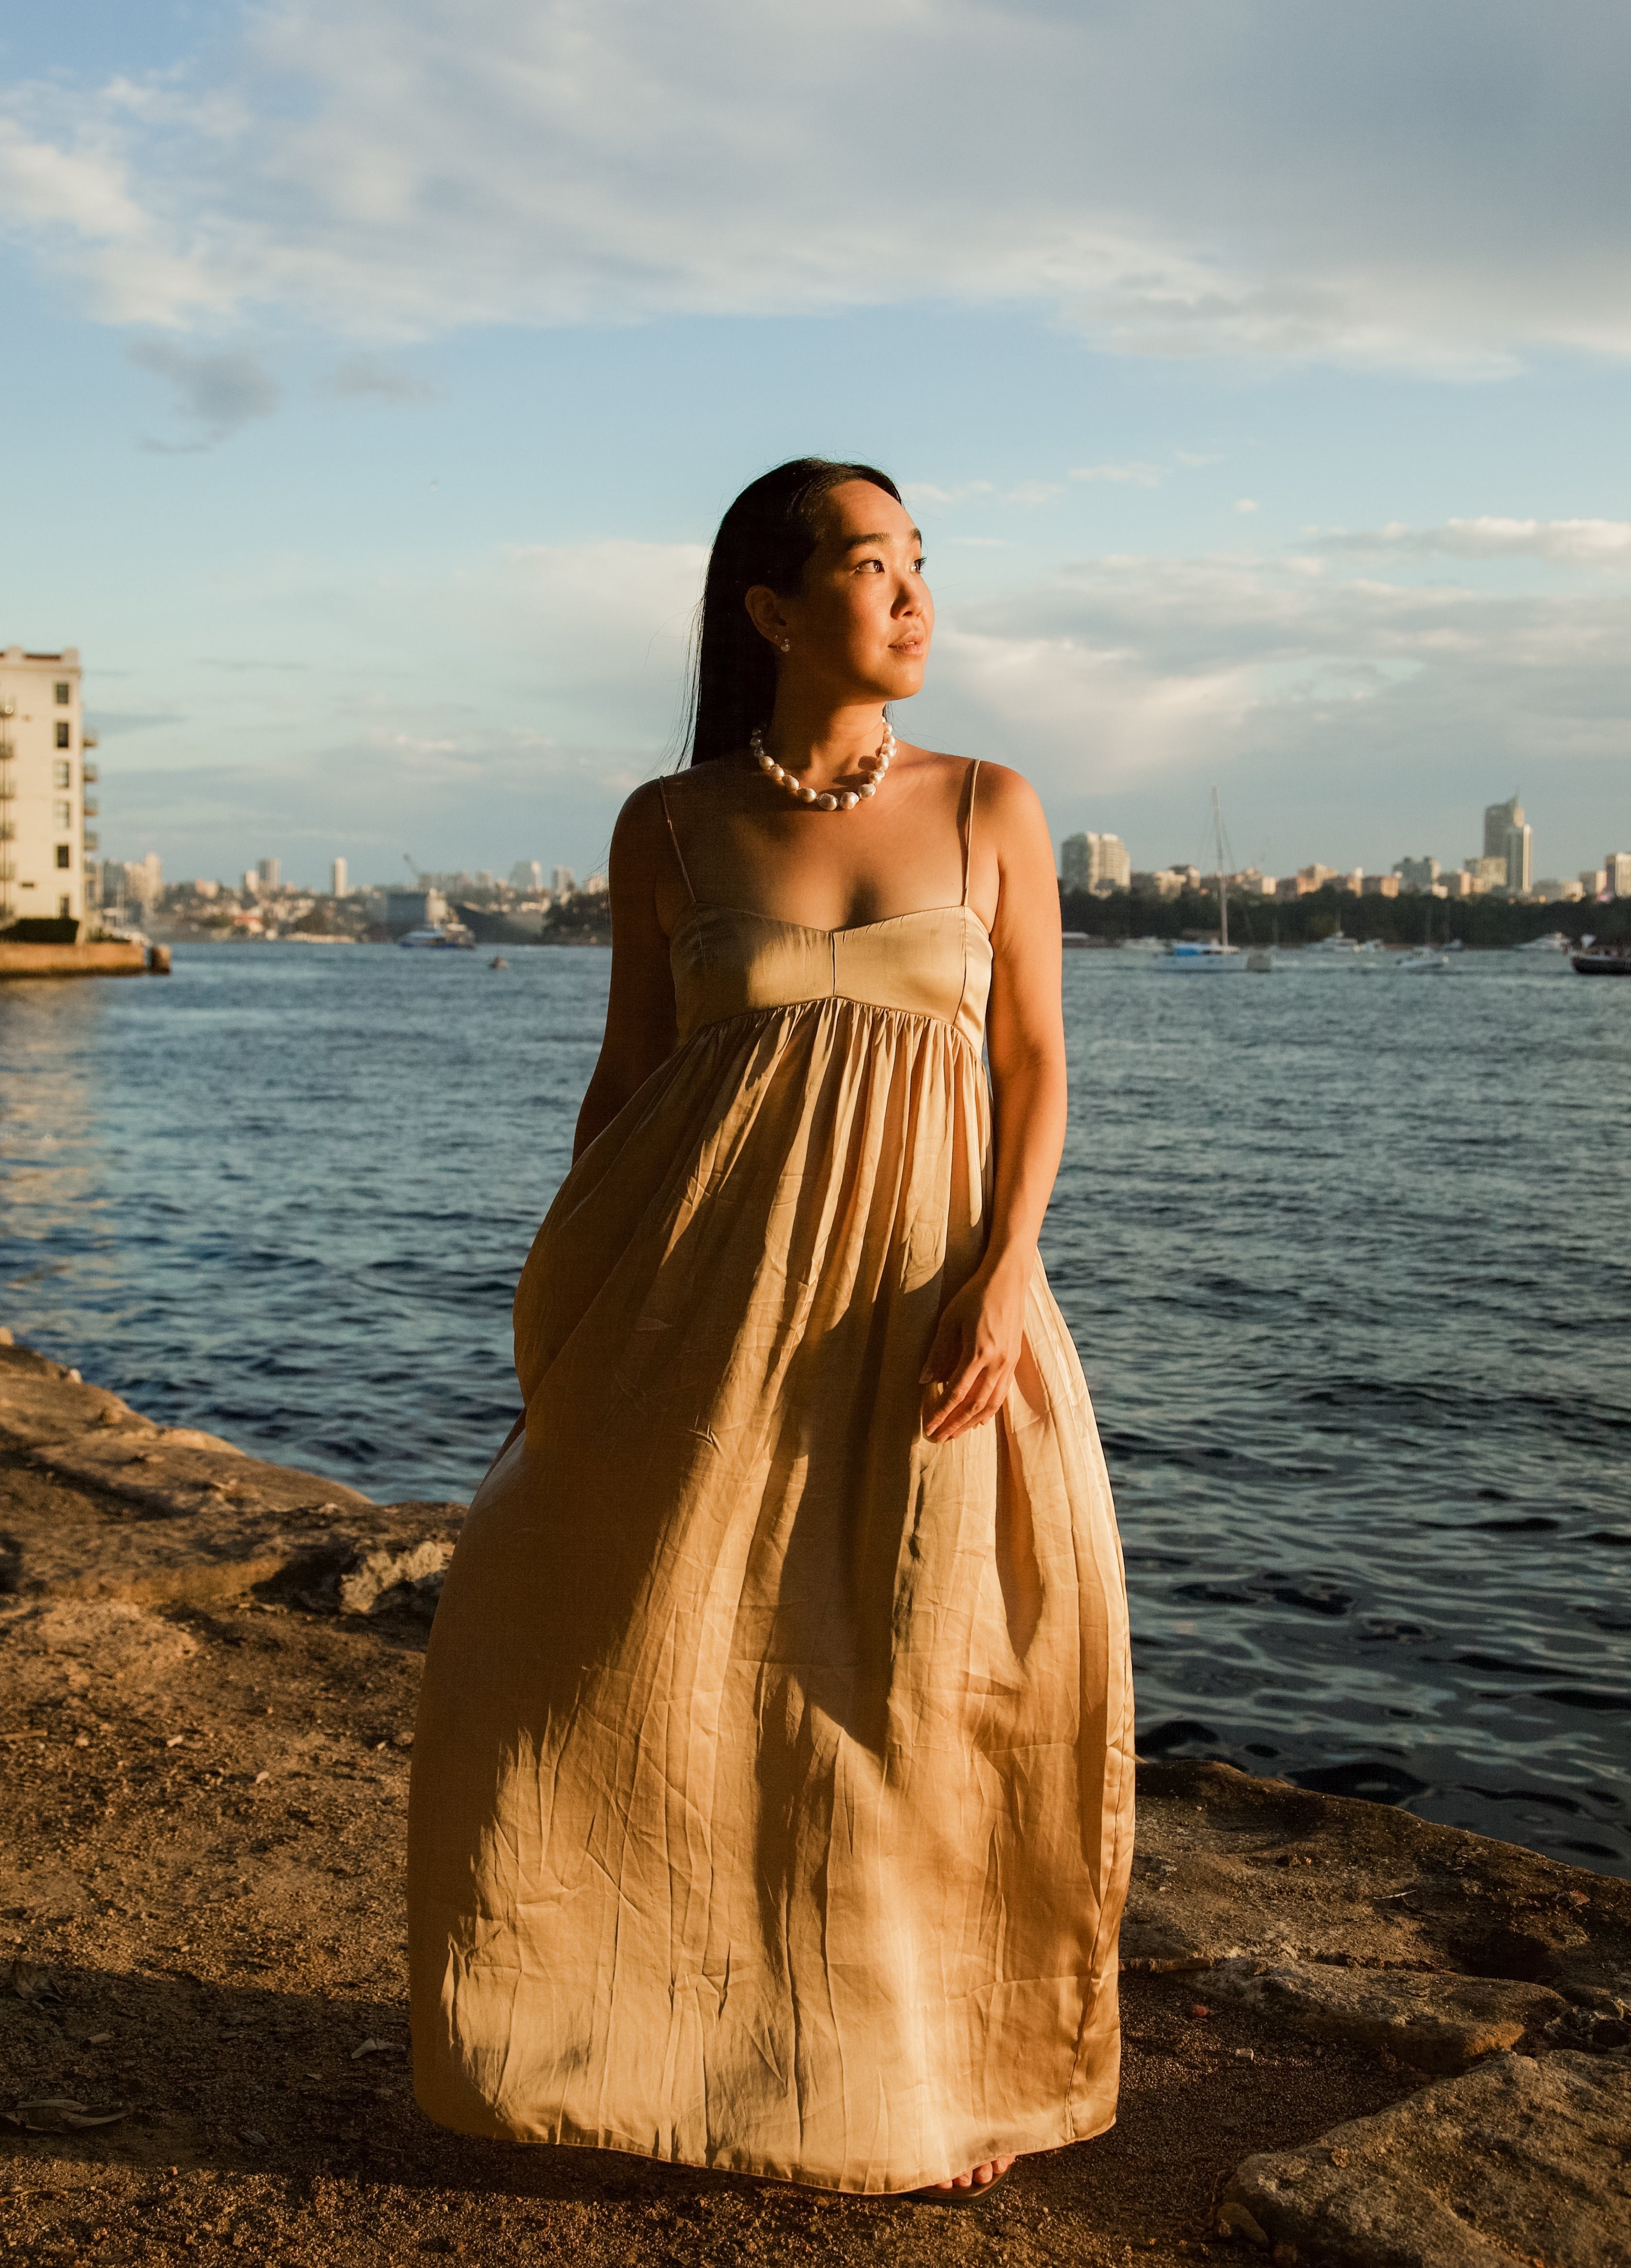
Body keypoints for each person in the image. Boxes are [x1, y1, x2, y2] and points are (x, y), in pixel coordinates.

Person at [408, 459, 1133, 2201]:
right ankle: (628, 2051)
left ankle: (935, 2081)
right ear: (769, 607)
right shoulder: (670, 821)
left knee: (918, 1685)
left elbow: (1032, 1067)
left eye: (920, 563)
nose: (912, 596)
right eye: (871, 564)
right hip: (695, 1299)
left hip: (929, 1301)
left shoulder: (992, 806)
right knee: (636, 1653)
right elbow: (631, 1078)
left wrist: (1006, 1273)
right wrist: (565, 1317)